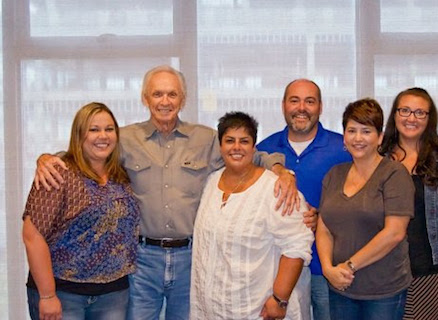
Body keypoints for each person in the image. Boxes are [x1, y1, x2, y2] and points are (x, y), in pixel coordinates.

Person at [33, 65, 300, 320]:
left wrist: (281, 170)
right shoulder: (124, 138)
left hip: (190, 258)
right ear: (145, 98)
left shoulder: (205, 139)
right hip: (142, 259)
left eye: (172, 94)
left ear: (182, 99)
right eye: (157, 94)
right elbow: (86, 154)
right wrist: (47, 159)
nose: (165, 101)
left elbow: (249, 154)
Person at [191, 111, 314, 320]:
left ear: (254, 147)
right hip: (212, 308)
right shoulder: (211, 182)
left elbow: (296, 246)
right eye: (230, 141)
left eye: (244, 141)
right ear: (220, 146)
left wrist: (279, 299)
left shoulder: (276, 188)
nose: (236, 147)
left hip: (258, 309)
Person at [22, 102, 139, 320]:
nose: (102, 136)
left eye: (109, 129)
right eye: (93, 129)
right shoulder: (58, 173)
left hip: (113, 294)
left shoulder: (120, 174)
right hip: (63, 293)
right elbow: (32, 236)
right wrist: (47, 296)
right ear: (79, 134)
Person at [257, 79, 352, 320]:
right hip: (278, 269)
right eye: (294, 100)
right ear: (283, 105)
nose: (302, 108)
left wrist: (323, 216)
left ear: (320, 107)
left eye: (310, 101)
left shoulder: (343, 148)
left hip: (326, 267)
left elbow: (363, 203)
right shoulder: (264, 151)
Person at [316, 98, 414, 319]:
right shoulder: (335, 174)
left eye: (366, 131)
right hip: (340, 286)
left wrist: (349, 266)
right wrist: (328, 269)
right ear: (344, 137)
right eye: (352, 131)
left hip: (383, 291)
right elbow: (324, 228)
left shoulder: (394, 174)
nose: (358, 138)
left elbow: (395, 233)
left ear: (379, 137)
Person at [379, 88, 438, 319]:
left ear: (429, 118)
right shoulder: (377, 157)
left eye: (420, 113)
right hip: (384, 270)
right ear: (395, 114)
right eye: (405, 110)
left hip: (433, 270)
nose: (411, 118)